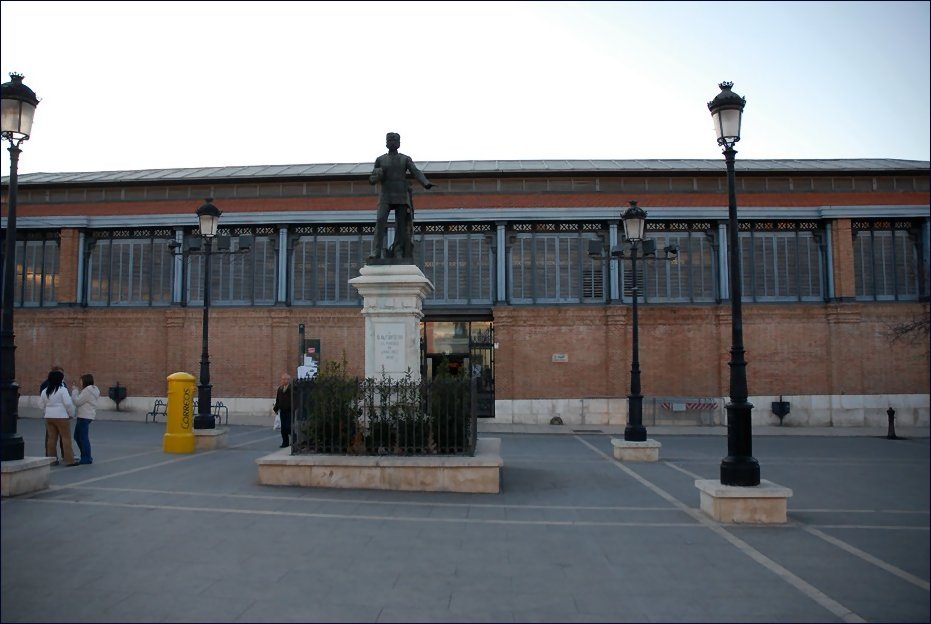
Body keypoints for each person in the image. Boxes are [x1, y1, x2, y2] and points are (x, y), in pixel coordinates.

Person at [369, 132, 433, 261]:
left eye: (395, 140)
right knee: (380, 221)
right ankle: (375, 251)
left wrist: (425, 182)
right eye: (390, 140)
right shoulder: (380, 159)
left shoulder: (405, 158)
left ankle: (398, 250)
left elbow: (415, 171)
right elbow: (372, 179)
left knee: (401, 225)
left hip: (401, 195)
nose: (392, 142)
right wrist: (377, 176)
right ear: (386, 143)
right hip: (386, 195)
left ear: (399, 143)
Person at [39, 369, 78, 466]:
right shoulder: (62, 390)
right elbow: (68, 404)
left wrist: (46, 411)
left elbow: (40, 404)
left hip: (49, 417)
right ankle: (69, 460)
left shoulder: (45, 391)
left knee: (51, 439)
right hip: (61, 416)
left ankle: (51, 459)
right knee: (66, 438)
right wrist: (71, 414)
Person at [71, 373, 100, 465]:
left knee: (82, 437)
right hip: (87, 415)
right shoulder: (93, 390)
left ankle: (86, 457)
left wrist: (75, 391)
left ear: (85, 381)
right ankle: (85, 455)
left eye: (81, 381)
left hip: (84, 416)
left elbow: (77, 402)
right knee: (78, 436)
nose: (80, 383)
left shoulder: (87, 391)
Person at [272, 373, 292, 448]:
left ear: (288, 380)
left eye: (285, 379)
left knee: (288, 427)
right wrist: (276, 408)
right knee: (283, 428)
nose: (284, 381)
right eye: (283, 379)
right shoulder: (280, 389)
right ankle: (285, 442)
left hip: (290, 410)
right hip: (282, 411)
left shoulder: (291, 388)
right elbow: (278, 399)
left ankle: (293, 440)